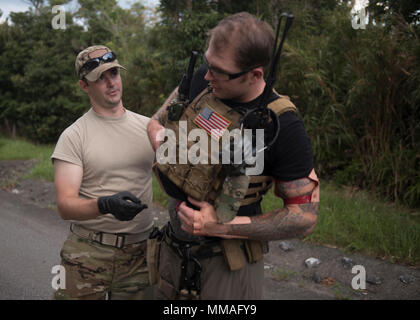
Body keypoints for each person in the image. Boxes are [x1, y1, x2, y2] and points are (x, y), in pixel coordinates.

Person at [147, 12, 319, 300]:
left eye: (219, 70)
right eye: (208, 62)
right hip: (173, 251)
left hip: (227, 266)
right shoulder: (204, 79)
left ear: (255, 74)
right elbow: (156, 121)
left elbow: (304, 218)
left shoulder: (282, 124)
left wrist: (222, 226)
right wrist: (165, 142)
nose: (208, 74)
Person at [51, 45, 155, 300]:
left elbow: (179, 175)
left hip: (140, 256)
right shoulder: (74, 136)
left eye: (114, 74)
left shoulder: (149, 128)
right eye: (100, 78)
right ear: (84, 86)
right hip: (87, 254)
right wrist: (105, 204)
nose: (111, 83)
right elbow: (65, 206)